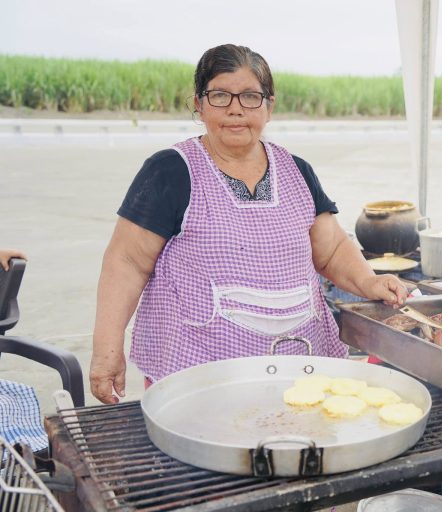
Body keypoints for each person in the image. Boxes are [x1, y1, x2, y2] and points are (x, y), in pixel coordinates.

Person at [90, 44, 408, 404]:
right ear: (198, 103)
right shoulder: (171, 171)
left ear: (269, 107)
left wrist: (368, 281)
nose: (236, 108)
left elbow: (332, 249)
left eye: (250, 97)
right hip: (199, 373)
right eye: (221, 95)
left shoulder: (297, 171)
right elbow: (127, 262)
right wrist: (106, 349)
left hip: (299, 367)